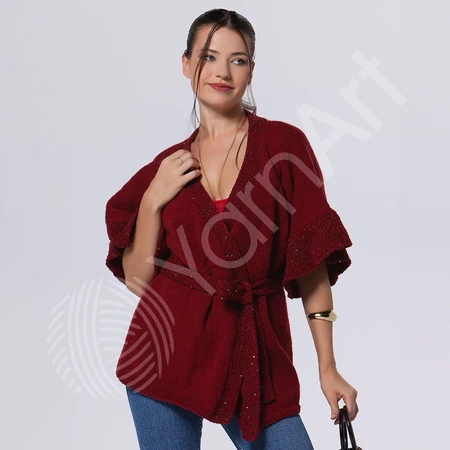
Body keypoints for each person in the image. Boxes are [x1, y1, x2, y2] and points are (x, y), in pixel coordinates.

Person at [104, 8, 359, 450]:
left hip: (255, 357)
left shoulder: (283, 147)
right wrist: (151, 200)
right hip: (161, 360)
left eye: (237, 60)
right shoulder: (167, 167)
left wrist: (328, 367)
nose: (222, 72)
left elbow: (311, 264)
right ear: (187, 65)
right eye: (209, 57)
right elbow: (139, 281)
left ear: (251, 70)